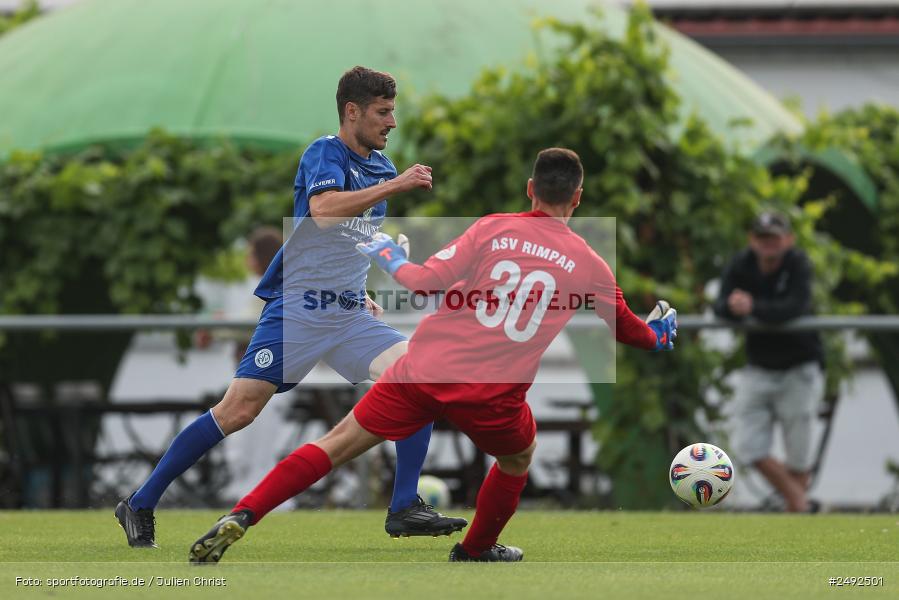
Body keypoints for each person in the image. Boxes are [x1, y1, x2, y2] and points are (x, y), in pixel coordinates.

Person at [187, 148, 678, 564]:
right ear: (577, 198)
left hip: (423, 369)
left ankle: (244, 512)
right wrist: (659, 333)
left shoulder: (490, 229)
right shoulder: (590, 264)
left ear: (530, 190)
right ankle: (476, 548)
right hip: (493, 395)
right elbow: (631, 332)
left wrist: (386, 253)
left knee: (337, 443)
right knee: (516, 457)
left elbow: (423, 284)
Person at [116, 66, 467, 548]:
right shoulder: (325, 152)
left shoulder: (382, 168)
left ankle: (404, 505)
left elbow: (351, 237)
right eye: (383, 112)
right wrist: (396, 186)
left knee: (417, 378)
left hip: (346, 314)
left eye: (393, 112)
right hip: (298, 311)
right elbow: (323, 212)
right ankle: (139, 502)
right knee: (237, 411)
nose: (392, 123)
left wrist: (359, 287)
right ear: (352, 111)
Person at [714, 211, 824, 512]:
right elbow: (719, 305)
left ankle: (796, 520)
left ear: (788, 239)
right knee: (749, 446)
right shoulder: (741, 263)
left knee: (799, 454)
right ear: (752, 239)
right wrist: (733, 307)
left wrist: (753, 307)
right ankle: (801, 505)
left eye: (774, 237)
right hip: (759, 367)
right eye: (762, 238)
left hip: (799, 366)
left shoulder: (798, 264)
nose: (768, 244)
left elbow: (795, 306)